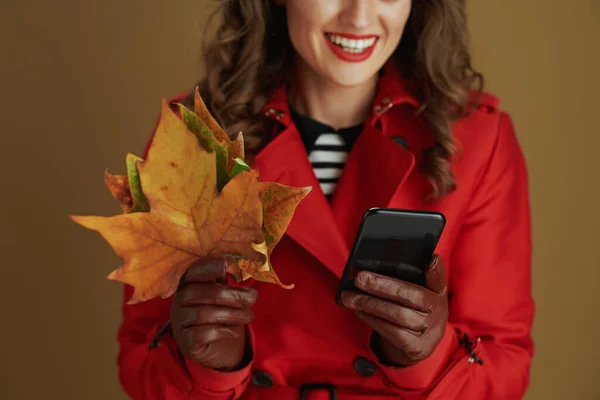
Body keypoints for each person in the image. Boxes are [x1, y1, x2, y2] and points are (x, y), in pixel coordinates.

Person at [116, 0, 534, 399]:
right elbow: (139, 362)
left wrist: (427, 355)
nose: (359, 17)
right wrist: (209, 366)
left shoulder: (480, 140)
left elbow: (503, 368)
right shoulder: (193, 137)